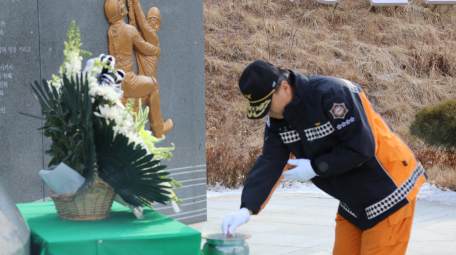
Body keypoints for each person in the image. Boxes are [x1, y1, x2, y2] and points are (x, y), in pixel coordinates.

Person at [221, 60, 427, 255]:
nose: (268, 113)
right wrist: (246, 209)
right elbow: (270, 161)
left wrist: (315, 167)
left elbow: (362, 147)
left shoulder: (334, 94)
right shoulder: (277, 119)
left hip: (389, 188)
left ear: (284, 87)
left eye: (268, 105)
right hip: (352, 200)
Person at [104, 0, 172, 138]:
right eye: (121, 5)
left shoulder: (111, 31)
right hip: (130, 79)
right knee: (154, 86)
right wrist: (156, 50)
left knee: (135, 101)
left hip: (118, 80)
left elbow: (132, 28)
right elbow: (142, 46)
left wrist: (131, 7)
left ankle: (131, 129)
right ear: (119, 11)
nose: (124, 7)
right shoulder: (130, 30)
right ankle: (159, 129)